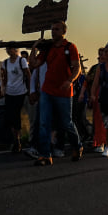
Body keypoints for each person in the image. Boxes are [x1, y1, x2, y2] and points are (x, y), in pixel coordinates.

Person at [28, 21, 83, 166]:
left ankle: (77, 146)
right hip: (47, 90)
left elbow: (77, 67)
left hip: (64, 92)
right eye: (52, 29)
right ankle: (45, 155)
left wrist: (70, 81)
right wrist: (34, 48)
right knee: (44, 123)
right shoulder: (48, 48)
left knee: (66, 123)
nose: (53, 32)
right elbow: (34, 64)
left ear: (64, 31)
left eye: (57, 29)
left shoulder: (70, 47)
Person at [3, 44, 31, 152]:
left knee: (15, 115)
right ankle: (15, 139)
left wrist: (30, 89)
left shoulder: (21, 60)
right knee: (9, 116)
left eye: (10, 49)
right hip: (9, 91)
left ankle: (18, 140)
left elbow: (28, 74)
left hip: (20, 91)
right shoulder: (5, 62)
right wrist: (4, 88)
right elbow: (5, 76)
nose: (9, 51)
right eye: (7, 49)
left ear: (15, 50)